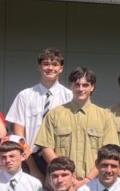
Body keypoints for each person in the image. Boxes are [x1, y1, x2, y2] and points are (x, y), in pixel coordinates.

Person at [35, 67, 120, 184]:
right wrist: (65, 175)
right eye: (77, 84)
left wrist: (88, 179)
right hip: (62, 183)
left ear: (92, 87)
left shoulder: (105, 116)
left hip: (95, 183)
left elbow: (109, 154)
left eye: (85, 85)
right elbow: (46, 148)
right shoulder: (55, 114)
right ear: (71, 86)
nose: (81, 89)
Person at [5, 47, 73, 180]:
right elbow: (19, 134)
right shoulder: (25, 95)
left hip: (59, 157)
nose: (50, 68)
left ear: (61, 68)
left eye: (54, 64)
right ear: (39, 67)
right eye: (46, 64)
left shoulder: (69, 96)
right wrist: (32, 167)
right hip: (31, 156)